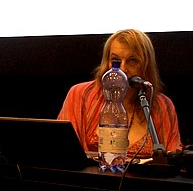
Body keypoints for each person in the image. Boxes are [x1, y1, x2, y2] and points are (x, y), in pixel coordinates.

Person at [57, 29, 182, 159]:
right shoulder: (81, 95)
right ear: (106, 63)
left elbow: (174, 159)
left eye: (132, 60)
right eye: (115, 61)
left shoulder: (162, 106)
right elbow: (62, 150)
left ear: (146, 66)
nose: (122, 69)